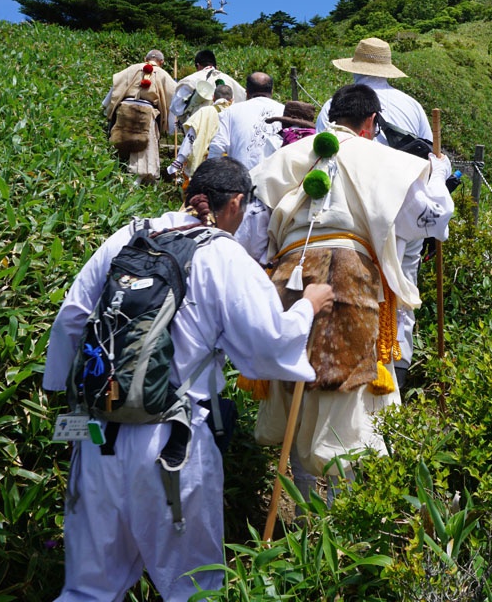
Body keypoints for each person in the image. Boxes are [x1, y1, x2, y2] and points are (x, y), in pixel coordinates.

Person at [42, 157, 333, 602]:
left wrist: (61, 394)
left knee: (88, 588)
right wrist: (308, 306)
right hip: (173, 447)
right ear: (236, 202)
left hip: (96, 436)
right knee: (193, 587)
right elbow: (268, 347)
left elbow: (72, 318)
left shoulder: (130, 235)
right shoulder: (222, 253)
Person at [242, 83, 452, 501]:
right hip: (352, 279)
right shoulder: (385, 160)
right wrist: (440, 175)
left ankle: (301, 512)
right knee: (347, 396)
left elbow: (252, 228)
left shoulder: (286, 157)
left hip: (291, 273)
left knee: (295, 381)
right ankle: (339, 519)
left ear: (329, 117)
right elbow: (431, 220)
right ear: (372, 122)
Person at [316, 37, 433, 390]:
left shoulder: (332, 105)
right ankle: (395, 374)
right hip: (406, 210)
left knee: (354, 287)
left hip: (356, 211)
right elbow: (428, 156)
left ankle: (353, 370)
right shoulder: (412, 106)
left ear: (354, 68)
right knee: (402, 287)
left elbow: (325, 155)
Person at [103, 50, 176, 184]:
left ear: (145, 58)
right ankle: (141, 176)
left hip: (124, 108)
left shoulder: (131, 69)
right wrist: (171, 128)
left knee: (119, 140)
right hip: (146, 112)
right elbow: (174, 98)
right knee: (145, 145)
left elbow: (115, 87)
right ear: (162, 62)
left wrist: (106, 108)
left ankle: (114, 169)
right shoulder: (163, 74)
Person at [207, 71, 283, 169]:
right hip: (275, 179)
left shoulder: (230, 112)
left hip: (241, 180)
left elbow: (217, 146)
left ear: (246, 92)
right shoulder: (284, 111)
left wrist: (209, 176)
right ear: (272, 92)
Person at [166, 82, 234, 187]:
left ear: (213, 97)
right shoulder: (236, 113)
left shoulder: (204, 111)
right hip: (229, 166)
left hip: (203, 164)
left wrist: (179, 161)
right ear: (232, 100)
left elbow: (190, 138)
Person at [169, 49, 246, 131]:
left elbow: (176, 108)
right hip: (224, 131)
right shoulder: (230, 81)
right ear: (216, 66)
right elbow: (243, 102)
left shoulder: (190, 80)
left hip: (197, 131)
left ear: (198, 65)